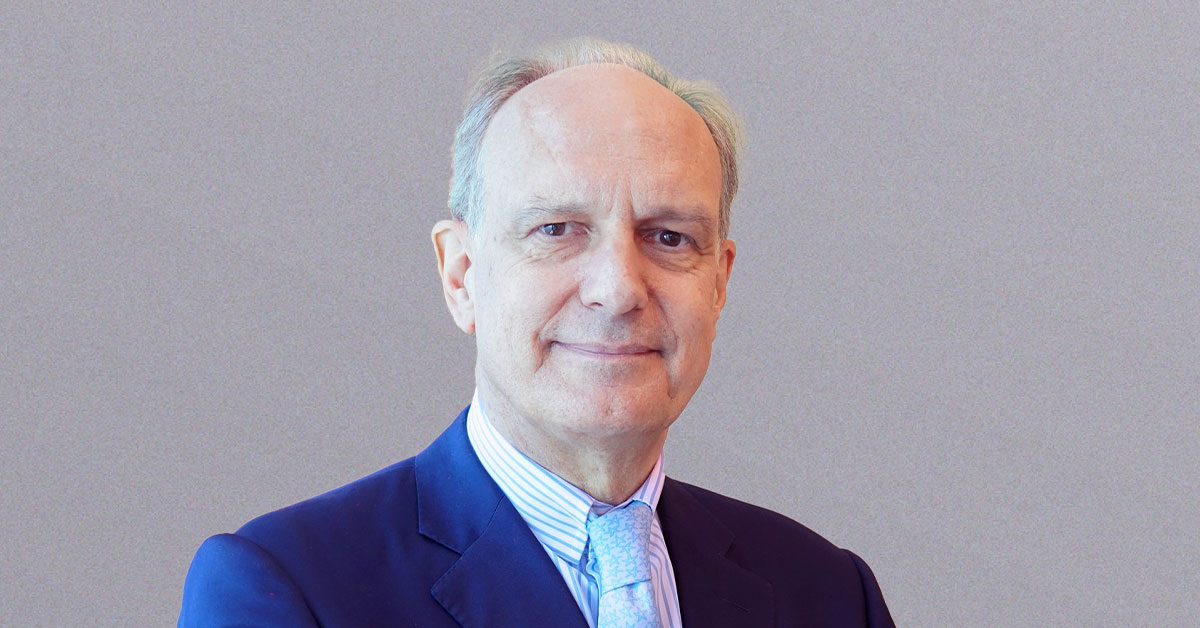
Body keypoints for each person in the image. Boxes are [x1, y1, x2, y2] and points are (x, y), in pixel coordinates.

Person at [179, 37, 895, 627]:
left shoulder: (828, 595)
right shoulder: (290, 590)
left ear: (719, 282)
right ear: (461, 274)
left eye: (669, 237)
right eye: (557, 229)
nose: (618, 288)